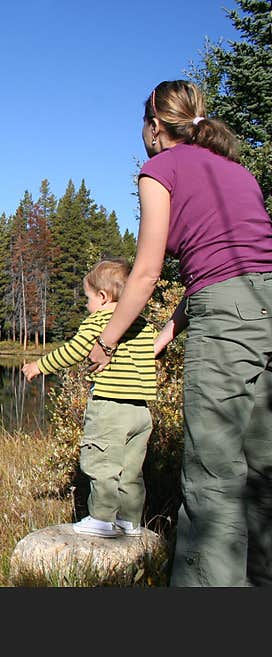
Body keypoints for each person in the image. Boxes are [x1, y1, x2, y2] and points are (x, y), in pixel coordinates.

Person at [87, 80, 272, 586]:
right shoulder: (239, 173)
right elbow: (238, 260)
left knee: (214, 478)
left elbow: (145, 274)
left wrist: (107, 341)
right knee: (263, 475)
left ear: (153, 128)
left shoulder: (159, 169)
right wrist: (172, 327)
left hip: (228, 322)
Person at [23, 258, 157, 538]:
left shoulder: (100, 322)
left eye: (88, 298)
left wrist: (38, 366)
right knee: (132, 470)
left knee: (102, 463)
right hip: (141, 411)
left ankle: (103, 519)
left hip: (110, 405)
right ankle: (130, 522)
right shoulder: (143, 325)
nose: (86, 305)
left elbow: (74, 350)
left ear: (103, 297)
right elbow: (155, 352)